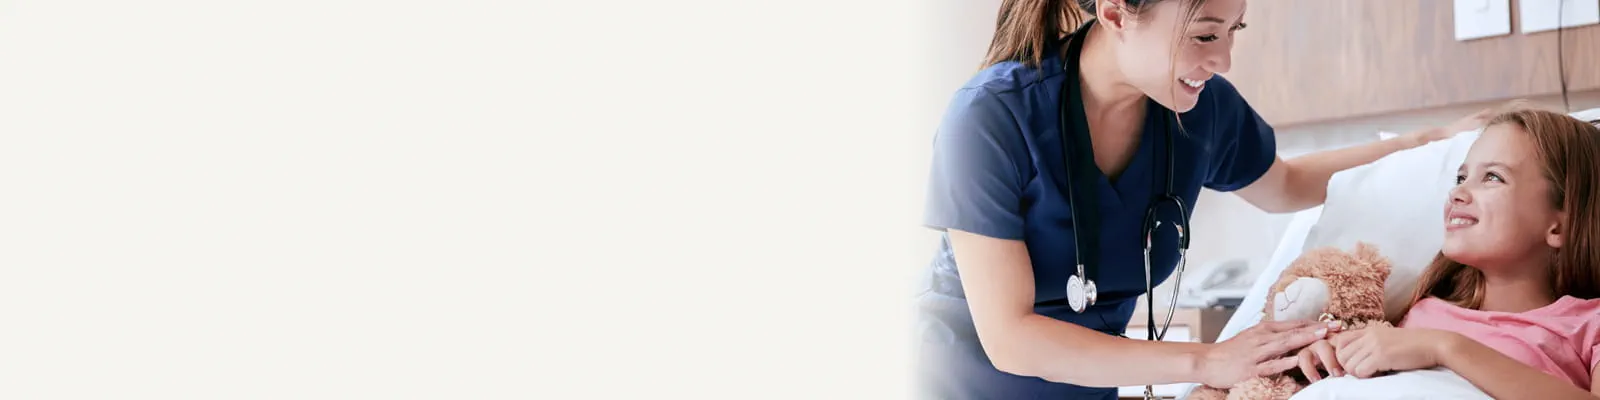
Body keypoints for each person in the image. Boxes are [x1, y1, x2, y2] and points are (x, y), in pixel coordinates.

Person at [914, 0, 1493, 398]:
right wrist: (1208, 360)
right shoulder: (991, 118)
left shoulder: (1202, 109)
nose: (1221, 61)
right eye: (1204, 35)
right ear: (1116, 12)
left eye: (1232, 32)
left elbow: (1285, 185)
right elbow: (1010, 338)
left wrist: (1429, 143)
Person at [1292, 109, 1600, 399]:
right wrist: (1330, 360)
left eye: (1493, 177)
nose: (1457, 193)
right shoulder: (1420, 312)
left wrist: (1444, 347)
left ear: (1558, 227)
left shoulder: (1589, 326)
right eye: (1461, 178)